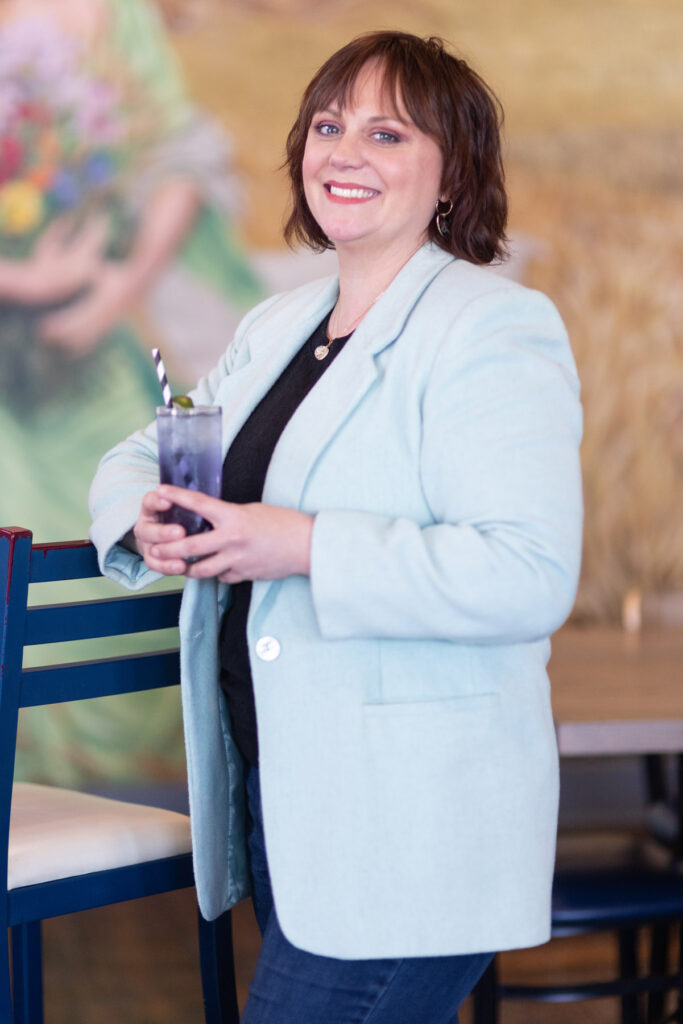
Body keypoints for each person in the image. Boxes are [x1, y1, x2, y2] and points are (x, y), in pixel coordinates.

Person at [89, 31, 583, 1023]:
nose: (342, 152)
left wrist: (300, 543)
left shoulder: (491, 326)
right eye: (327, 126)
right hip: (288, 802)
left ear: (452, 174)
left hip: (411, 828)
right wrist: (147, 515)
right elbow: (146, 452)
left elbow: (526, 571)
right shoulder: (279, 328)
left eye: (386, 133)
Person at [1, 0, 262, 787]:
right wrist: (21, 278)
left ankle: (135, 806)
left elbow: (179, 157)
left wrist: (116, 288)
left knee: (149, 510)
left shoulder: (119, 17)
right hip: (21, 350)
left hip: (88, 339)